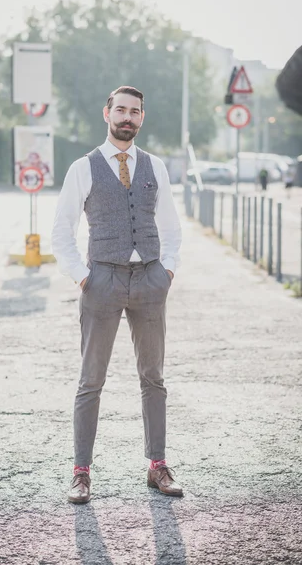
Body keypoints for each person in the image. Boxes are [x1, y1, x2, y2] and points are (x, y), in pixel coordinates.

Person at [52, 86, 183, 504]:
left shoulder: (154, 166)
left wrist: (167, 271)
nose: (127, 117)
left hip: (149, 280)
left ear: (142, 118)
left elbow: (171, 226)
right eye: (121, 110)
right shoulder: (83, 168)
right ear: (106, 113)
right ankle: (81, 472)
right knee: (91, 380)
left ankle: (157, 465)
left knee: (154, 378)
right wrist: (82, 276)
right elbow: (62, 230)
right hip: (102, 281)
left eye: (135, 112)